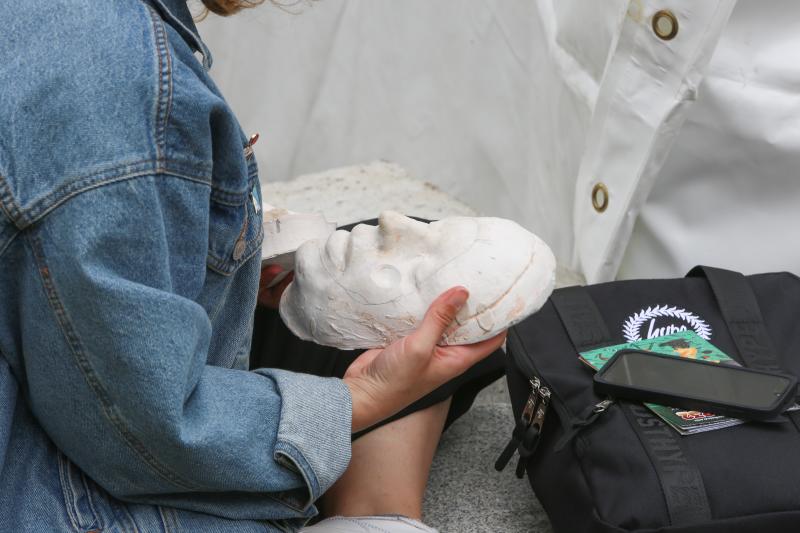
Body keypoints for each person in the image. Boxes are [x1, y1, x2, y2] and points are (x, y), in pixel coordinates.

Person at [0, 1, 505, 531]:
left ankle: (373, 512)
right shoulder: (103, 62)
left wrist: (228, 258)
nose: (396, 224)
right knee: (403, 325)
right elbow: (139, 431)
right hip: (50, 489)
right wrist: (361, 399)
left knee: (402, 297)